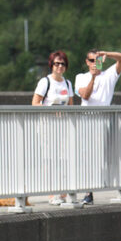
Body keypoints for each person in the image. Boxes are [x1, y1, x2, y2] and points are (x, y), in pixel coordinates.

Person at [74, 49, 121, 204]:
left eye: (96, 60)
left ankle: (116, 188)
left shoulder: (109, 75)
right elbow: (85, 95)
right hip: (85, 121)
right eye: (91, 60)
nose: (94, 64)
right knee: (86, 157)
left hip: (104, 121)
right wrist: (92, 78)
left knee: (106, 157)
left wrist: (107, 54)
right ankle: (88, 192)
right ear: (87, 62)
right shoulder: (81, 77)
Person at [33, 50, 73, 205]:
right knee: (50, 159)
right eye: (57, 63)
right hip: (47, 126)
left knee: (63, 158)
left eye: (63, 64)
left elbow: (71, 105)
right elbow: (35, 103)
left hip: (63, 127)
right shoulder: (45, 82)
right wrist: (51, 109)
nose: (60, 67)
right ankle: (51, 192)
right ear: (51, 65)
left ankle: (62, 191)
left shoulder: (67, 83)